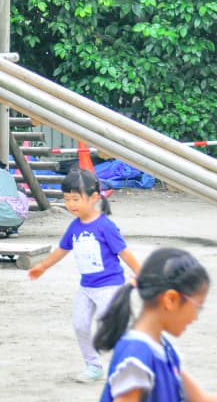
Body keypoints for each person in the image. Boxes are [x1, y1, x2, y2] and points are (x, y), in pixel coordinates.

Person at [27, 169, 141, 383]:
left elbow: (124, 252)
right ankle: (93, 365)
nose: (70, 204)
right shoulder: (74, 226)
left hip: (110, 286)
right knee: (80, 324)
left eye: (76, 199)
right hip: (87, 287)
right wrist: (42, 266)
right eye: (67, 199)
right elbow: (61, 250)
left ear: (94, 197)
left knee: (110, 326)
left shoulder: (105, 226)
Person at [94, 248, 216, 401]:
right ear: (171, 299)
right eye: (197, 307)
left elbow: (200, 399)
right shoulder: (136, 357)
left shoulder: (164, 350)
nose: (195, 317)